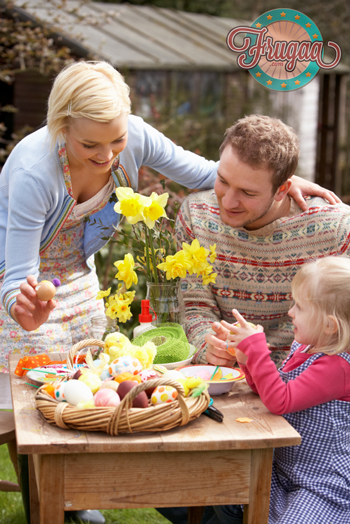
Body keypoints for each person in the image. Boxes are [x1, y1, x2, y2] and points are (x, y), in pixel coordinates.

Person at [0, 61, 339, 524]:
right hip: (21, 282)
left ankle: (79, 499)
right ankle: (48, 504)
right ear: (61, 125)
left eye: (116, 141)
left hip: (77, 279)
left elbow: (208, 174)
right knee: (36, 401)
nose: (107, 157)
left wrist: (283, 184)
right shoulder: (33, 174)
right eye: (90, 145)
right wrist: (24, 312)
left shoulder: (135, 136)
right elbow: (15, 272)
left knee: (86, 383)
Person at [175, 114, 348, 369]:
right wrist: (208, 345)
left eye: (247, 192)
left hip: (308, 390)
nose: (228, 201)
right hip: (225, 381)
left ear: (282, 189)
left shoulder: (336, 229)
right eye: (223, 180)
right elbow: (195, 306)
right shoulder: (196, 215)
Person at [202, 255, 350, 524]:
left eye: (300, 307)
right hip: (286, 469)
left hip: (320, 481)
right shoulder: (305, 348)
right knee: (224, 482)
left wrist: (258, 349)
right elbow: (271, 390)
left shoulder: (339, 367)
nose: (291, 312)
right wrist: (247, 359)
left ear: (329, 325)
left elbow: (280, 401)